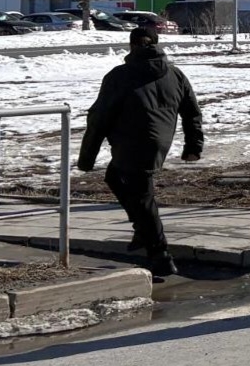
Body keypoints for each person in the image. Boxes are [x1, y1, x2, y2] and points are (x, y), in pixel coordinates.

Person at [75, 27, 204, 280]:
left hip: (132, 141)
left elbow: (99, 118)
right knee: (115, 177)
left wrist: (87, 158)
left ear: (131, 46)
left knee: (143, 196)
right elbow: (192, 112)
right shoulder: (175, 74)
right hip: (160, 142)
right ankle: (142, 231)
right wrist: (193, 147)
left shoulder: (120, 76)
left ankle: (160, 255)